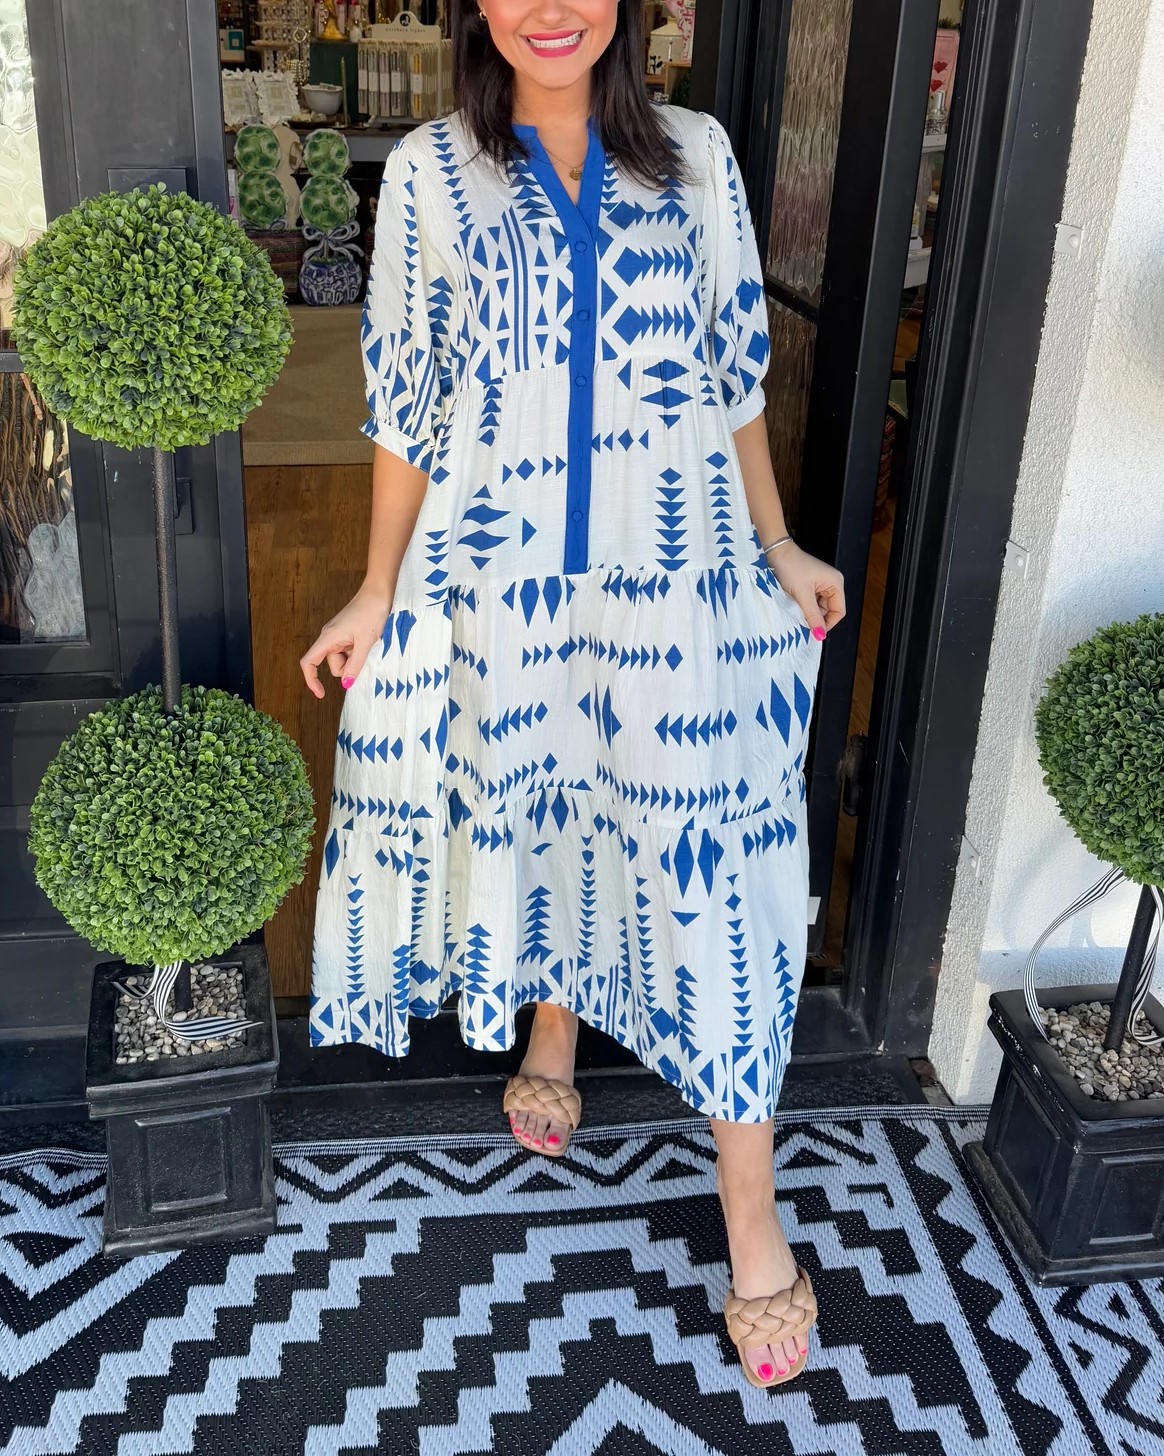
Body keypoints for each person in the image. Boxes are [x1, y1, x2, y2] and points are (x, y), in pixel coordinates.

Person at [300, 0, 846, 1390]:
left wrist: (777, 542)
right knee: (535, 796)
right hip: (502, 577)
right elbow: (407, 400)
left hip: (677, 580)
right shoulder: (429, 170)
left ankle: (749, 1204)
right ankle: (552, 1017)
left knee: (718, 872)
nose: (552, 9)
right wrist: (376, 586)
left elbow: (732, 371)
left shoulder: (698, 154)